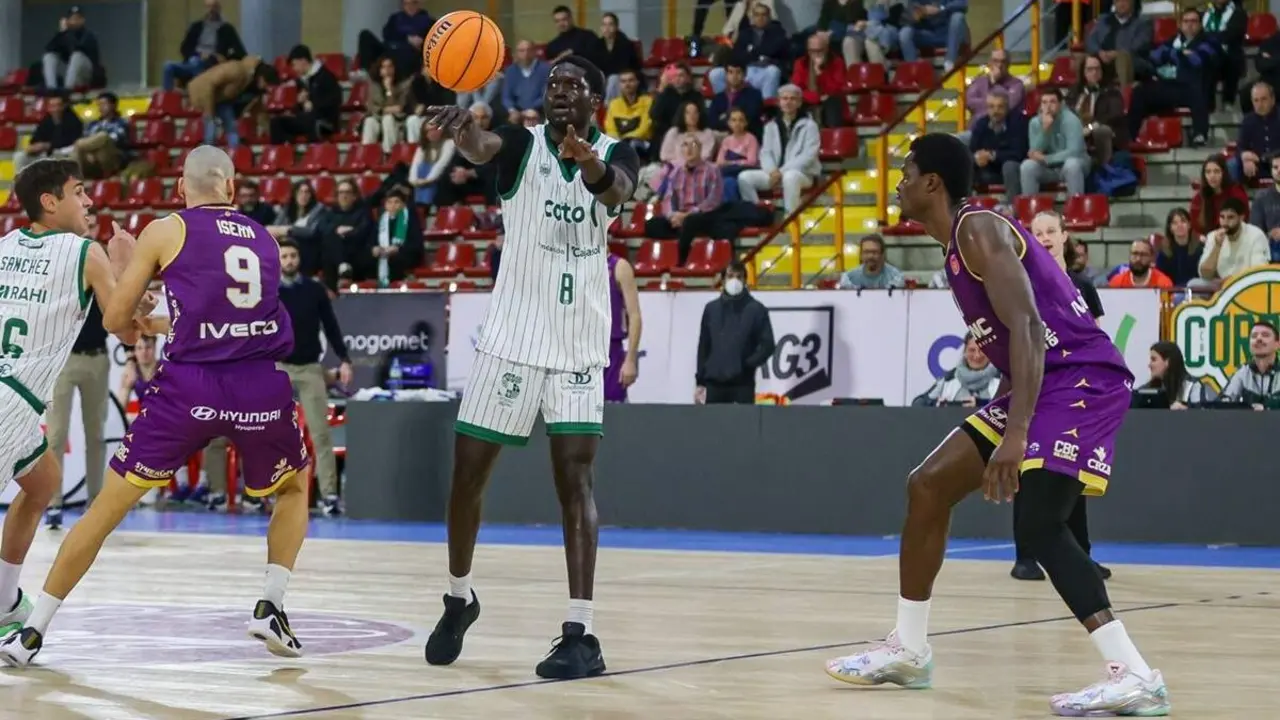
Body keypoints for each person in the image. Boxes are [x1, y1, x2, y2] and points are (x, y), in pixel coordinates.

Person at [824, 133, 1169, 717]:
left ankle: (1136, 674)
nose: (899, 185)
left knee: (1040, 524)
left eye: (906, 174)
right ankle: (909, 649)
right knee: (927, 485)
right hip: (1039, 383)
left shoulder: (978, 228)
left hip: (1079, 378)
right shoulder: (954, 248)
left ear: (933, 182)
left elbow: (1030, 327)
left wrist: (1016, 434)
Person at [0, 146, 313, 667]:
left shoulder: (164, 230)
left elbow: (117, 321)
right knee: (295, 486)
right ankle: (271, 605)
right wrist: (149, 309)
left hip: (188, 388)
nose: (88, 200)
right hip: (258, 383)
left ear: (181, 189)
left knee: (102, 509)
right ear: (232, 188)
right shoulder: (263, 238)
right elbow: (230, 318)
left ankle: (31, 631)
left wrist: (130, 272)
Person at [420, 55, 640, 679]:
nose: (560, 92)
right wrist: (466, 132)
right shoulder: (522, 144)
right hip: (512, 340)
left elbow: (617, 191)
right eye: (552, 85)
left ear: (596, 99)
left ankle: (581, 633)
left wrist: (588, 161)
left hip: (577, 346)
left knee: (576, 481)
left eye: (573, 86)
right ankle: (458, 598)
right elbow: (483, 146)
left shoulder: (619, 152)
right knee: (467, 476)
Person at [0, 159, 143, 646]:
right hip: (12, 403)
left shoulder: (6, 245)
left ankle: (4, 602)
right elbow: (126, 328)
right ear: (49, 201)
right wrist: (129, 269)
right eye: (79, 192)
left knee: (43, 482)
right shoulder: (86, 252)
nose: (88, 201)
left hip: (14, 398)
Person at [277, 238, 352, 516]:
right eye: (284, 256)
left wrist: (344, 358)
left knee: (321, 434)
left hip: (310, 368)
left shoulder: (314, 289)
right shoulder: (268, 291)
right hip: (278, 367)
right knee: (272, 433)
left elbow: (331, 325)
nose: (289, 261)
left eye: (293, 256)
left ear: (300, 258)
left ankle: (329, 494)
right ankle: (270, 491)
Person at [695, 261, 776, 404]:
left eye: (739, 277)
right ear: (723, 280)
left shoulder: (757, 309)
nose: (735, 281)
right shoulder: (711, 309)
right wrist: (700, 382)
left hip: (742, 386)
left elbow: (768, 345)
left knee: (743, 420)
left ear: (745, 281)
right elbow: (704, 347)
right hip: (714, 385)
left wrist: (747, 365)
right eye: (730, 276)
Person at [604, 254, 641, 402]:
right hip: (582, 351)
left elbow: (635, 316)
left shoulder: (619, 267)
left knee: (613, 408)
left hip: (611, 350)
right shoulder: (578, 265)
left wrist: (630, 360)